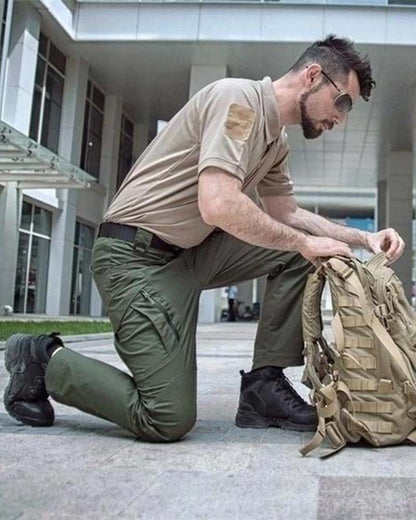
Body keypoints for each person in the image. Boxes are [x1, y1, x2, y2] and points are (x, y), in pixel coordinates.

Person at [4, 35, 405, 440]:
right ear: (312, 76)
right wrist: (303, 241)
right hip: (134, 259)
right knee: (166, 418)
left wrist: (362, 238)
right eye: (344, 103)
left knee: (302, 252)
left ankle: (264, 387)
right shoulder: (239, 102)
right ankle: (40, 357)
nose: (342, 119)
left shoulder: (274, 140)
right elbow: (218, 204)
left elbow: (289, 214)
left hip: (190, 254)